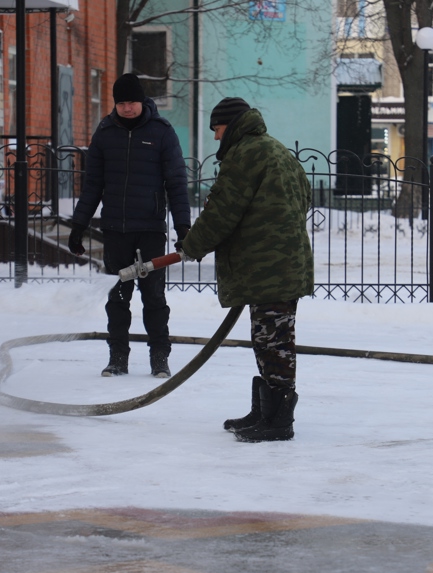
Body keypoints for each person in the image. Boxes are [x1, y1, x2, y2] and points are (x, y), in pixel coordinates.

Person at [177, 98, 313, 442]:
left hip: (269, 265)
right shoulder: (276, 150)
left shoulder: (245, 154)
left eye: (217, 130)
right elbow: (305, 197)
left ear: (232, 125)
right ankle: (265, 412)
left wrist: (192, 246)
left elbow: (223, 210)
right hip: (280, 261)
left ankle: (278, 421)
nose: (216, 138)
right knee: (270, 338)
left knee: (274, 342)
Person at [69, 73, 191, 378]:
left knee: (154, 297)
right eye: (121, 103)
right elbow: (92, 185)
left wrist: (184, 229)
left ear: (142, 101)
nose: (126, 108)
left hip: (149, 229)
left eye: (131, 102)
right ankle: (117, 358)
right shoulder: (105, 133)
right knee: (118, 298)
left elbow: (176, 184)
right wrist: (78, 225)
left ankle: (159, 358)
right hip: (115, 229)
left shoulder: (162, 132)